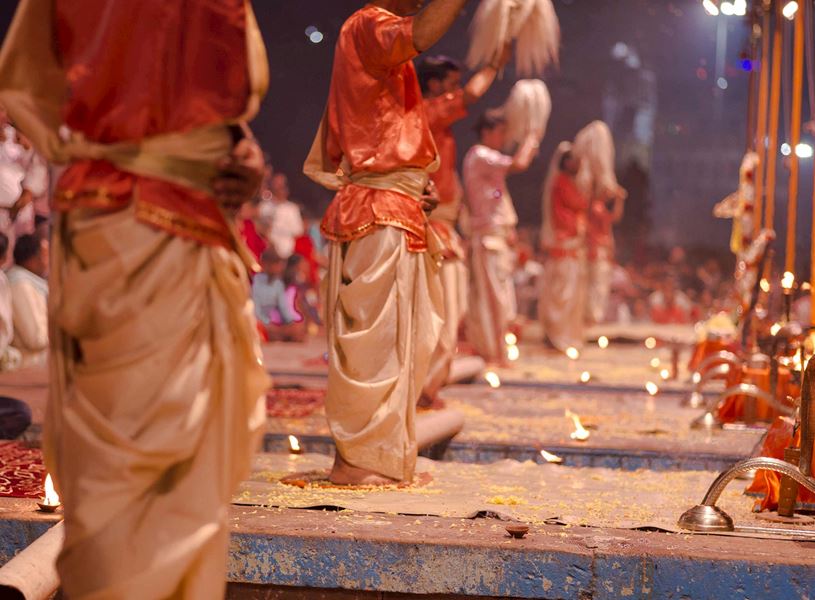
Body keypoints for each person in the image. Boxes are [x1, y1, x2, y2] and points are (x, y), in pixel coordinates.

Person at [0, 1, 270, 597]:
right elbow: (33, 81)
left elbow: (209, 84)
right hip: (122, 226)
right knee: (126, 470)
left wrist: (232, 145)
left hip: (176, 219)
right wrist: (135, 147)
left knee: (184, 471)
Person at [304, 0, 470, 485]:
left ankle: (375, 459)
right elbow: (421, 33)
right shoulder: (369, 24)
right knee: (380, 347)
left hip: (394, 208)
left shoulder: (382, 44)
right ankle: (360, 464)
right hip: (379, 212)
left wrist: (415, 182)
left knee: (403, 344)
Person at [416, 48, 509, 405]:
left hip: (445, 229)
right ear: (434, 85)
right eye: (450, 85)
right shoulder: (426, 113)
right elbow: (472, 93)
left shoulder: (436, 123)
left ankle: (428, 387)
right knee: (438, 314)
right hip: (431, 229)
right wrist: (494, 62)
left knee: (448, 313)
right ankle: (423, 389)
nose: (457, 92)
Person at [463, 111, 539, 364]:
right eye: (500, 132)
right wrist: (532, 136)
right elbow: (519, 163)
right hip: (488, 239)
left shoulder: (488, 162)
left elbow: (499, 200)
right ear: (487, 132)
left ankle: (499, 351)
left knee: (503, 299)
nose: (503, 138)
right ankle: (495, 353)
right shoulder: (480, 155)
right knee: (495, 300)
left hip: (498, 239)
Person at [539, 144, 589, 352]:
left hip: (572, 245)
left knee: (572, 294)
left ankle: (566, 333)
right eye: (574, 160)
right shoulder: (561, 182)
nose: (578, 165)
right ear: (565, 162)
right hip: (565, 242)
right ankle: (557, 334)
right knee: (563, 293)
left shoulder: (570, 182)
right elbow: (576, 204)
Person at [586, 188, 625, 324]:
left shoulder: (599, 206)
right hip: (596, 252)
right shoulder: (594, 206)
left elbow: (615, 217)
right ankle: (593, 317)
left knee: (601, 287)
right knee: (596, 286)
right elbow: (613, 217)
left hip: (602, 253)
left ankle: (596, 317)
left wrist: (619, 200)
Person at [7, 233, 48, 362]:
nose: (48, 261)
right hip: (28, 366)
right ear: (33, 258)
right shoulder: (20, 284)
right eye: (46, 255)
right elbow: (36, 338)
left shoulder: (30, 282)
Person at [253, 247, 306, 342]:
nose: (279, 267)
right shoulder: (256, 282)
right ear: (265, 264)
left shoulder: (278, 284)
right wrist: (270, 325)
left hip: (274, 325)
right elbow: (256, 312)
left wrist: (291, 323)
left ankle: (282, 335)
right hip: (259, 322)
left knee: (297, 329)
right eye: (276, 264)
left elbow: (284, 309)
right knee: (265, 330)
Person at [263, 173, 304, 259]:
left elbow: (298, 231)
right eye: (275, 186)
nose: (277, 189)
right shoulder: (265, 207)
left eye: (280, 187)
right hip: (268, 253)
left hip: (287, 253)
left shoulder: (292, 209)